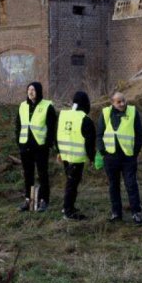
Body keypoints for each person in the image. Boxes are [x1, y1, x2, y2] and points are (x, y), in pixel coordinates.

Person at [97, 91, 142, 225]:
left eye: (124, 100)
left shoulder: (133, 112)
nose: (122, 104)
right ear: (112, 102)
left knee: (131, 185)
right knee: (113, 185)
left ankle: (136, 213)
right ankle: (116, 213)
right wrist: (103, 151)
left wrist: (135, 152)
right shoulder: (106, 113)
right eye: (119, 102)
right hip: (110, 156)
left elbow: (139, 134)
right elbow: (100, 134)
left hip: (128, 156)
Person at [14, 82, 57, 212]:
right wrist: (19, 142)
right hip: (25, 145)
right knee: (28, 174)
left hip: (40, 146)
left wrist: (48, 144)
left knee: (42, 174)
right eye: (29, 89)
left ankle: (44, 200)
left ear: (38, 91)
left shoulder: (47, 106)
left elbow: (51, 128)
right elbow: (18, 125)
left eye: (33, 89)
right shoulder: (22, 106)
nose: (30, 92)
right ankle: (28, 200)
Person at [57, 91, 95, 220]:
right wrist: (93, 158)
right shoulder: (85, 119)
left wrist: (59, 152)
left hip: (66, 156)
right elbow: (89, 142)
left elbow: (58, 135)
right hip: (77, 158)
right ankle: (68, 211)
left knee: (70, 183)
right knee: (72, 184)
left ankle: (68, 207)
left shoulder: (64, 116)